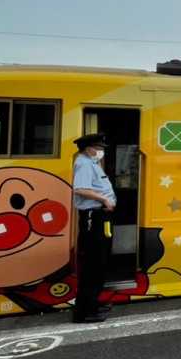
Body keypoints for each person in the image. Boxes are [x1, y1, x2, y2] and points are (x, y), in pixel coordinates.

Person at [71, 132, 116, 322]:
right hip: (93, 216)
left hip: (100, 216)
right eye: (98, 148)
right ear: (89, 148)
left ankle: (93, 303)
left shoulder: (91, 163)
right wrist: (104, 199)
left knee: (99, 261)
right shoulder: (84, 163)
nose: (100, 151)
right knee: (92, 262)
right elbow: (80, 189)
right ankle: (84, 311)